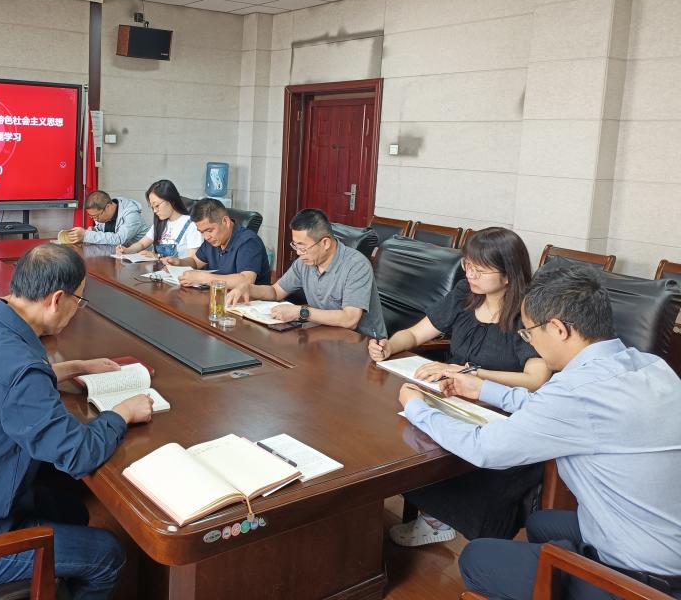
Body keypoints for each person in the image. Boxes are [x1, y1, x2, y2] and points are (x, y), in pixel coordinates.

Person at [398, 263, 681, 600]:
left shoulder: (576, 391)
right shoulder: (648, 365)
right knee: (540, 524)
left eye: (529, 332)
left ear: (558, 329)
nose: (529, 340)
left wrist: (418, 408)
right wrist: (481, 389)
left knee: (477, 559)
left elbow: (484, 448)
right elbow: (556, 409)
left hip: (644, 581)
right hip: (661, 538)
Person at [0, 244, 154, 598]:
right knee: (108, 555)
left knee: (70, 506)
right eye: (78, 300)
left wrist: (76, 367)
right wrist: (122, 413)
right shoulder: (20, 370)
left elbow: (5, 381)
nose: (77, 309)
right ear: (57, 299)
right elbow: (78, 454)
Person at [369, 227, 551, 546]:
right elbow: (416, 334)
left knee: (431, 448)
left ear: (508, 274)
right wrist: (389, 345)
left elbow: (537, 379)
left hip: (499, 412)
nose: (470, 274)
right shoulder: (465, 293)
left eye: (480, 269)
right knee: (393, 434)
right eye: (468, 265)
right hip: (453, 396)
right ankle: (431, 514)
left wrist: (473, 373)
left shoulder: (527, 312)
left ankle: (441, 520)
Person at [226, 208, 386, 337]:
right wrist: (248, 288)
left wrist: (300, 312)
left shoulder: (356, 265)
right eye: (295, 246)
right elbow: (276, 292)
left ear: (325, 243)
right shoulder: (305, 262)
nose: (298, 253)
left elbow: (350, 319)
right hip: (325, 335)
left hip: (363, 344)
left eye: (303, 247)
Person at [166, 197, 270, 288]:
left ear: (226, 221)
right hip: (220, 296)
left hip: (249, 301)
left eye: (209, 230)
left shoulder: (248, 242)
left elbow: (246, 280)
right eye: (201, 232)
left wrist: (203, 278)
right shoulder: (213, 240)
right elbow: (196, 262)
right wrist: (180, 263)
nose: (206, 237)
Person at [116, 179, 202, 260]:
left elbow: (193, 261)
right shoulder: (160, 223)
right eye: (152, 207)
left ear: (171, 200)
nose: (155, 211)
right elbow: (141, 244)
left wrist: (158, 257)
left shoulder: (191, 224)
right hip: (159, 269)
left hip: (180, 270)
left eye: (157, 205)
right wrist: (126, 250)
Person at [63, 190, 146, 246]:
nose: (95, 219)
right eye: (92, 216)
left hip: (140, 258)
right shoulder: (103, 214)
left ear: (108, 207)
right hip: (115, 255)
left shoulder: (131, 215)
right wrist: (94, 230)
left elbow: (120, 239)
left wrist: (86, 235)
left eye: (96, 216)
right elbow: (104, 233)